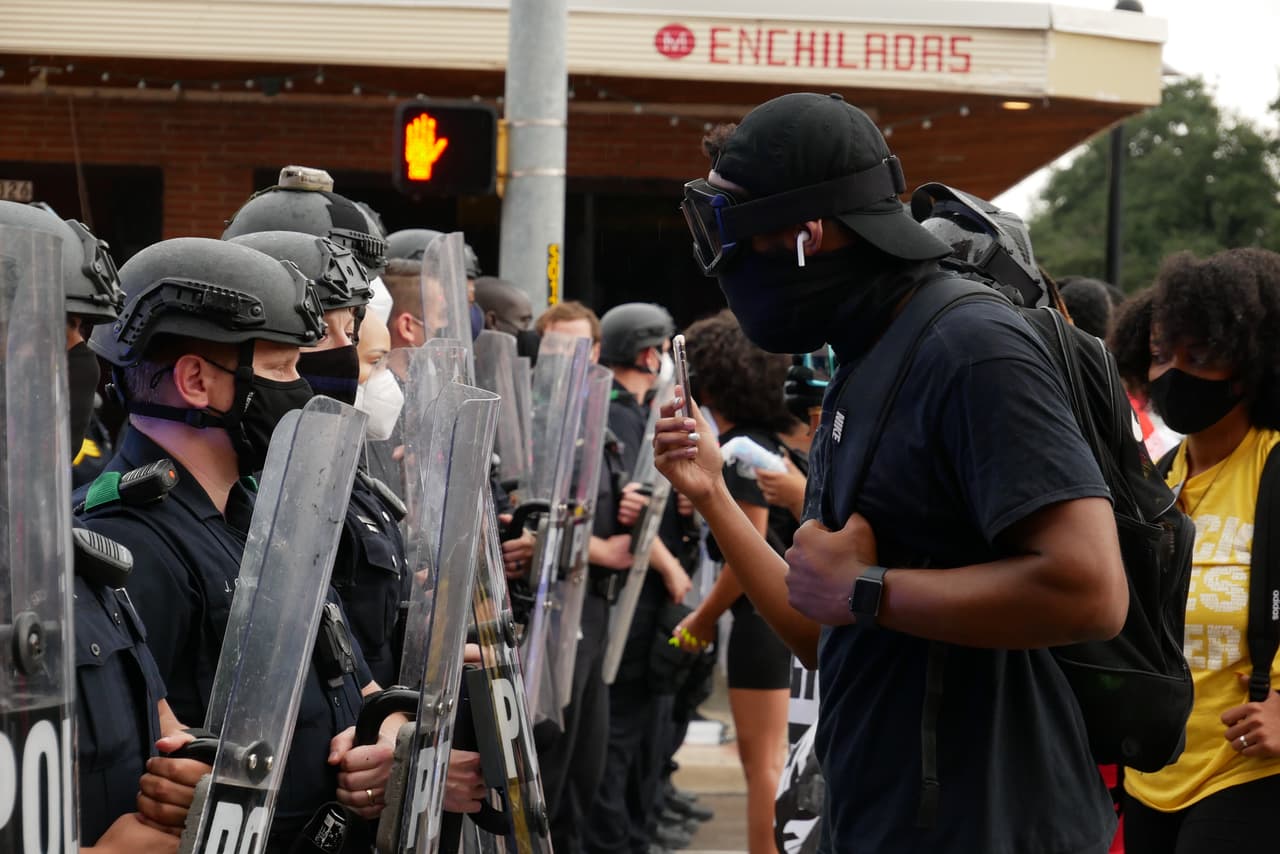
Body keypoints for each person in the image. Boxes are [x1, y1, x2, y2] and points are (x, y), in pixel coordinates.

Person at [656, 92, 1127, 852]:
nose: (721, 265)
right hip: (883, 815)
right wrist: (713, 494)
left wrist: (867, 588)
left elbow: (1092, 589)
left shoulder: (970, 346)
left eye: (731, 229)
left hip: (987, 826)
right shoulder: (869, 352)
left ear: (808, 235)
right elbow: (828, 628)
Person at [75, 237, 400, 850]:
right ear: (197, 380)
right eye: (281, 370)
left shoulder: (264, 515)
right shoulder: (123, 544)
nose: (301, 389)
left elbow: (351, 676)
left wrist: (384, 735)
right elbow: (145, 778)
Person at [0, 200, 201, 853]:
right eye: (54, 329)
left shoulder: (67, 555)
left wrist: (182, 771)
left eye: (83, 331)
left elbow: (158, 727)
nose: (78, 357)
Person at [1109, 248, 1280, 853]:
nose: (1172, 372)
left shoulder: (1273, 466)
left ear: (1250, 361)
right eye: (1159, 355)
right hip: (1152, 772)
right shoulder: (1152, 481)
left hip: (1251, 773)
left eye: (1199, 355)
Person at [226, 230, 410, 688]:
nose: (342, 354)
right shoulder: (242, 499)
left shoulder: (331, 476)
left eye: (348, 333)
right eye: (311, 334)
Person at [671, 309, 797, 854]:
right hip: (789, 620)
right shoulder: (772, 439)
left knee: (765, 768)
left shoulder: (738, 450)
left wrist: (699, 621)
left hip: (763, 626)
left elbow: (748, 556)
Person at [583, 302, 694, 854]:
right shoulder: (622, 417)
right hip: (627, 610)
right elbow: (634, 523)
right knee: (619, 744)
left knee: (637, 739)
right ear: (651, 355)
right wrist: (675, 573)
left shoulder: (630, 411)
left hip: (633, 607)